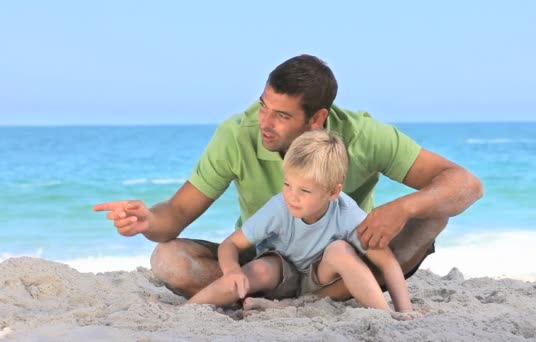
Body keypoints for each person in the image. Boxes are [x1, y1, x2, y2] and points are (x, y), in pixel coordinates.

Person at [93, 54, 483, 301]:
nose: (265, 123)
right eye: (264, 106)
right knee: (168, 258)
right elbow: (177, 212)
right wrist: (147, 222)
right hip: (269, 260)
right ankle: (279, 295)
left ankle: (333, 293)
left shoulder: (363, 135)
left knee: (434, 211)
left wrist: (402, 207)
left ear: (317, 118)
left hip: (344, 260)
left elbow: (465, 184)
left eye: (281, 116)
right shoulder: (237, 134)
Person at [187, 130, 415, 318]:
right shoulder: (279, 207)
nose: (292, 196)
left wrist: (405, 311)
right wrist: (232, 271)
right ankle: (188, 309)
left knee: (341, 250)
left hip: (321, 282)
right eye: (287, 184)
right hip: (280, 276)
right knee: (260, 268)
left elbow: (387, 263)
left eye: (304, 190)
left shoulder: (347, 213)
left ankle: (385, 316)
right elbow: (231, 245)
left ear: (333, 191)